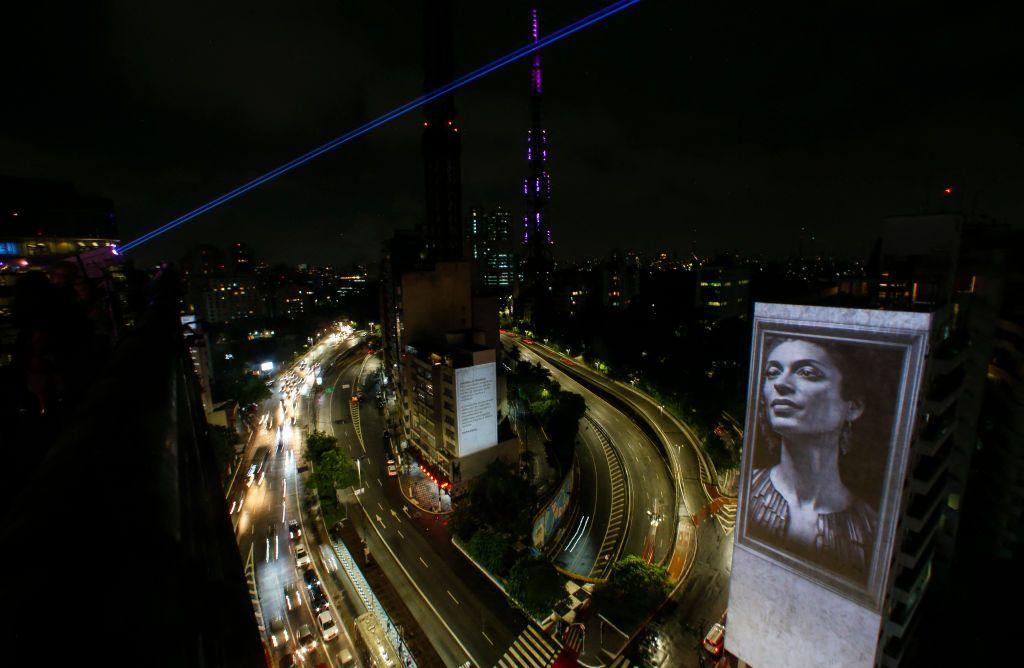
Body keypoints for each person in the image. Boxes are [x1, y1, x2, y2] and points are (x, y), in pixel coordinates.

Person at [748, 336, 879, 581]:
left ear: (854, 406)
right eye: (772, 372)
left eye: (807, 373)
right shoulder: (743, 492)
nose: (781, 384)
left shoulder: (873, 532)